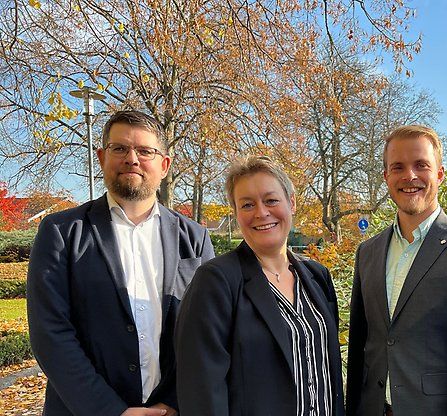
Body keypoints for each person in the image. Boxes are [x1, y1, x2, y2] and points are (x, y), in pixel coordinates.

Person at [27, 110, 215, 416]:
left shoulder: (195, 238)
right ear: (102, 157)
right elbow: (50, 333)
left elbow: (207, 332)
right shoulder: (60, 232)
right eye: (120, 149)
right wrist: (111, 411)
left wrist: (173, 403)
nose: (132, 158)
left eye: (145, 150)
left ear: (164, 165)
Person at [345, 125, 447, 416]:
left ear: (440, 173)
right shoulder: (367, 253)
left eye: (421, 165)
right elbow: (360, 347)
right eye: (398, 167)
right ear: (386, 177)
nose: (410, 176)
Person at [175, 156, 344, 415]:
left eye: (271, 200)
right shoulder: (216, 281)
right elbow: (201, 390)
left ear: (292, 203)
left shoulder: (317, 276)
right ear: (236, 213)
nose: (261, 213)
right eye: (247, 204)